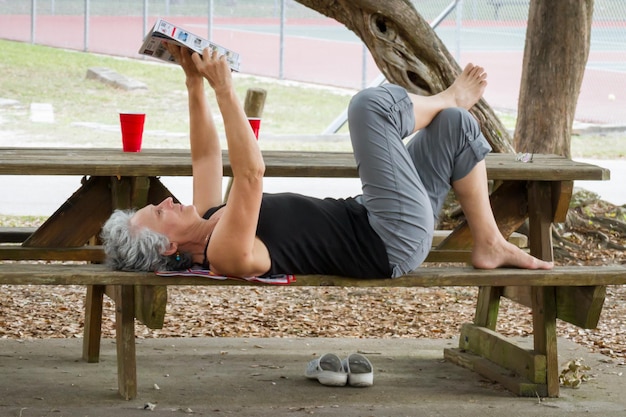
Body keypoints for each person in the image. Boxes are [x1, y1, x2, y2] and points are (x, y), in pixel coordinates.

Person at [101, 44, 553, 278]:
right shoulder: (224, 253)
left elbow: (204, 155)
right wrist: (224, 90)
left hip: (373, 215)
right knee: (367, 108)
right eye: (159, 213)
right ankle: (449, 95)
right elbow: (251, 175)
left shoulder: (208, 220)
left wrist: (193, 84)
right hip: (389, 238)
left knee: (453, 126)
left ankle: (489, 241)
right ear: (168, 248)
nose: (166, 202)